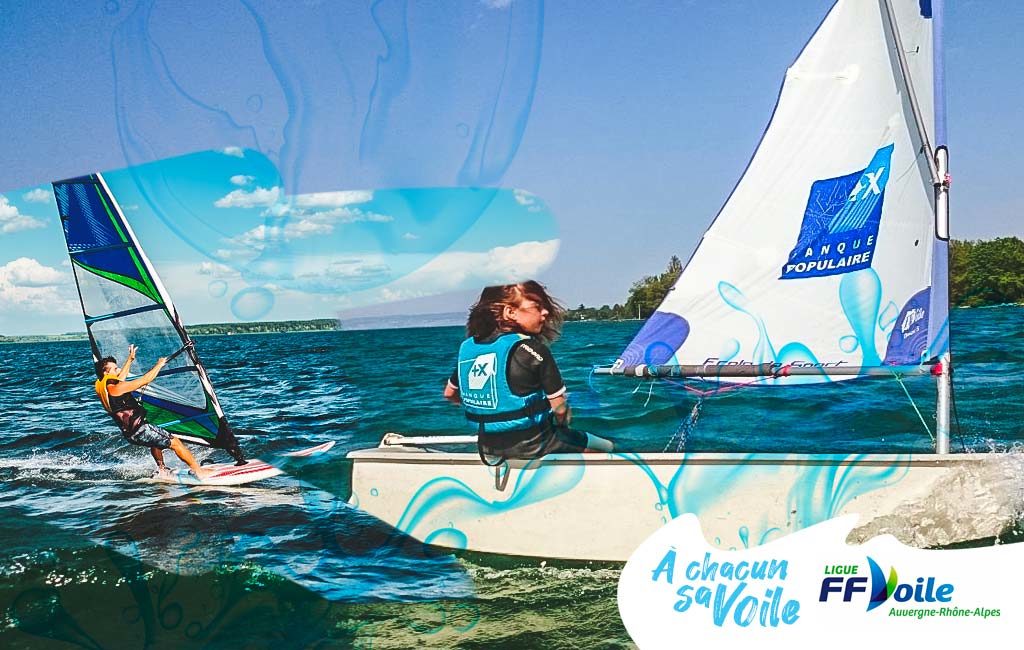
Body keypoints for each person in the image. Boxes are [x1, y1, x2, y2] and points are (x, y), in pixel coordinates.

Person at [444, 280, 614, 463]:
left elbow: (450, 394)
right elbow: (561, 411)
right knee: (608, 446)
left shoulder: (469, 349)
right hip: (537, 446)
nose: (546, 312)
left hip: (487, 447)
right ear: (510, 312)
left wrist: (490, 410)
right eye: (537, 306)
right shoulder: (534, 350)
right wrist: (563, 424)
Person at [94, 345, 209, 479]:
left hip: (129, 434)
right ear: (106, 373)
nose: (118, 370)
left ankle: (162, 469)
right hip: (140, 429)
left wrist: (130, 360)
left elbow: (122, 377)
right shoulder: (117, 388)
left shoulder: (104, 386)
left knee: (155, 442)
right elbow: (146, 380)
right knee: (176, 443)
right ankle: (198, 471)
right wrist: (159, 365)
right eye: (114, 369)